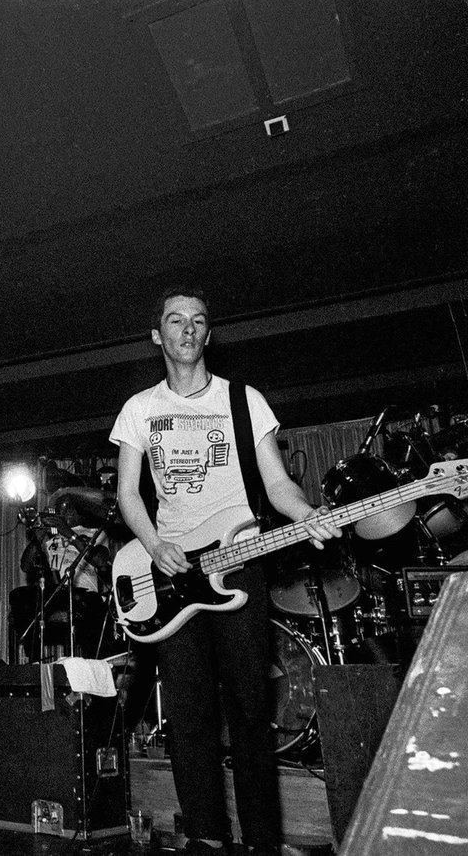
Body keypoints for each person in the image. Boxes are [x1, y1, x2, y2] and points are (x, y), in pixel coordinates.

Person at [109, 288, 341, 856]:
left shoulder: (243, 400)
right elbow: (127, 493)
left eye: (198, 321)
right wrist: (154, 544)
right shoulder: (139, 408)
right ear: (158, 336)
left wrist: (307, 515)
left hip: (238, 565)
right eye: (175, 320)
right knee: (188, 714)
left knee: (249, 709)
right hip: (172, 573)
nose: (187, 329)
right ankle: (206, 837)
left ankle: (263, 842)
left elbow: (277, 483)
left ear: (208, 335)